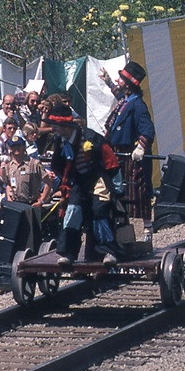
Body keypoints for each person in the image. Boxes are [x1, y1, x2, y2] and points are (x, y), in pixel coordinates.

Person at [47, 102, 122, 266]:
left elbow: (111, 162)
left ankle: (108, 251)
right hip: (78, 181)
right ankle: (68, 253)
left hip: (98, 178)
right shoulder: (60, 140)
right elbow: (57, 164)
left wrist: (117, 188)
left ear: (65, 125)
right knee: (72, 212)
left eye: (56, 125)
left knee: (99, 211)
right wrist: (68, 180)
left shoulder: (92, 138)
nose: (54, 129)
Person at [105, 61, 155, 246]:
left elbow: (148, 130)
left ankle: (148, 231)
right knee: (118, 193)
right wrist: (108, 82)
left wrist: (141, 147)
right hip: (117, 154)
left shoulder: (138, 105)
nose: (119, 81)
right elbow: (119, 96)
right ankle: (122, 231)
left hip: (131, 156)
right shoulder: (126, 101)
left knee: (138, 194)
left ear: (128, 83)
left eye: (121, 79)